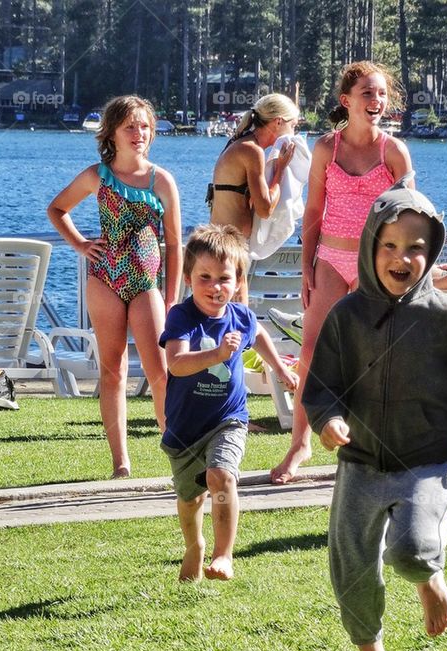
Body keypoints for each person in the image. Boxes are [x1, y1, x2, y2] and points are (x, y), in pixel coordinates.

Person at [302, 187, 447, 651]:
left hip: (426, 461)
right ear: (371, 246)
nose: (402, 257)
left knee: (412, 552)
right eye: (389, 245)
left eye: (415, 247)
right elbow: (322, 384)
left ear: (430, 253)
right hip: (360, 464)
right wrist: (327, 420)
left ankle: (428, 580)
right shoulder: (346, 315)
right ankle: (369, 648)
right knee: (351, 567)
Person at [271, 60, 414, 484]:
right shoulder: (325, 149)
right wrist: (306, 267)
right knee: (312, 352)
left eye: (382, 94)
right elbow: (313, 211)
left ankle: (378, 443)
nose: (376, 101)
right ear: (346, 101)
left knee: (378, 355)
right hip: (330, 259)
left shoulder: (394, 150)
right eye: (368, 94)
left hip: (376, 265)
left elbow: (413, 214)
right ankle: (300, 443)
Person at [47, 95, 182, 479]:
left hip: (146, 282)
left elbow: (174, 244)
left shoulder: (162, 180)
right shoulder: (97, 175)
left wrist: (172, 297)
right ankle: (120, 462)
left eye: (145, 127)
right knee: (113, 371)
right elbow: (57, 209)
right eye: (130, 127)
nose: (139, 134)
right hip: (104, 278)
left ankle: (176, 449)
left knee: (160, 371)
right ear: (112, 134)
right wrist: (79, 244)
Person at [159, 224, 299, 582]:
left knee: (221, 477)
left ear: (238, 281)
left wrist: (281, 367)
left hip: (228, 419)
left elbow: (261, 333)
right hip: (185, 429)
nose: (214, 286)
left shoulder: (241, 316)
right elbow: (176, 363)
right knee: (190, 500)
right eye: (204, 277)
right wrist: (219, 354)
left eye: (224, 278)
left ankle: (224, 555)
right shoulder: (182, 316)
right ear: (189, 278)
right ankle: (195, 545)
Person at [207, 93, 299, 244]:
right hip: (228, 247)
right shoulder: (252, 150)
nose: (293, 133)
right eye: (293, 126)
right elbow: (265, 209)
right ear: (278, 122)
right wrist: (280, 169)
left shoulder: (240, 142)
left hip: (222, 242)